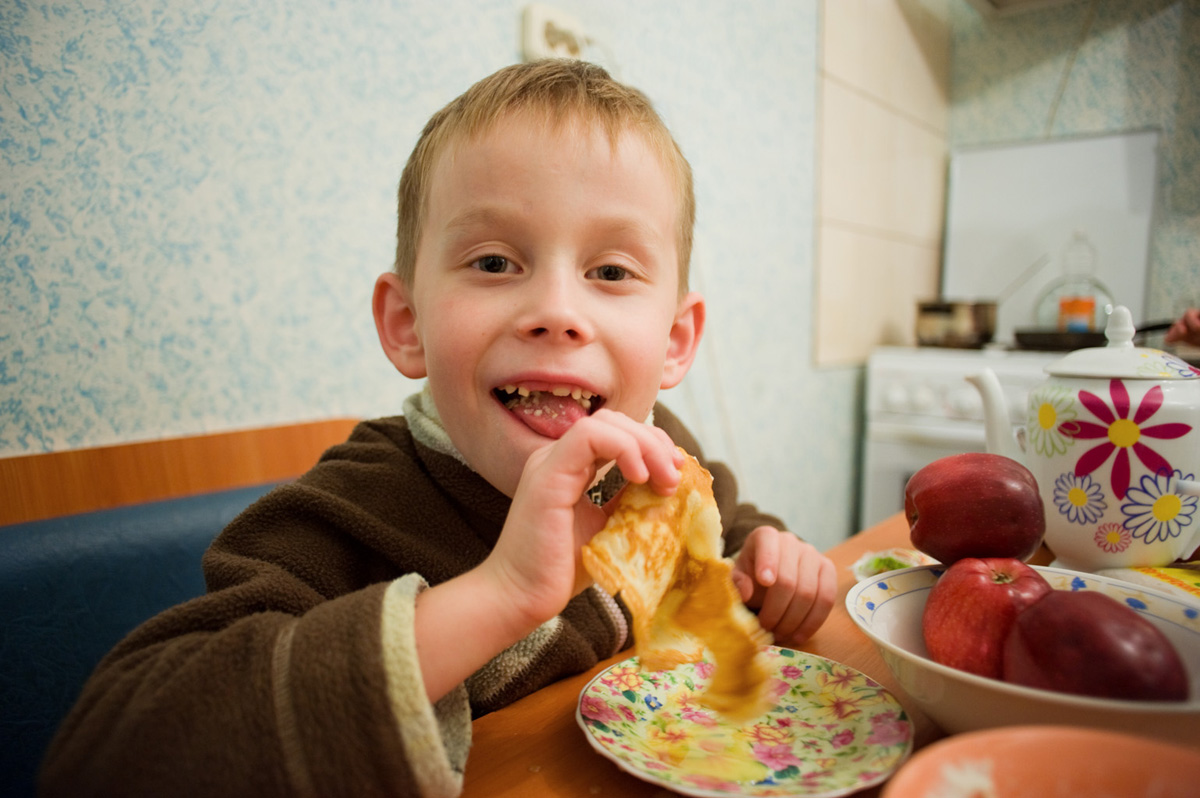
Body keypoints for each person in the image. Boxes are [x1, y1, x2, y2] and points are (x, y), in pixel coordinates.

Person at [40, 59, 836, 797]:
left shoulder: (658, 456)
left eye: (610, 271)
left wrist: (772, 566)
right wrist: (501, 595)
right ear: (407, 322)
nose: (558, 311)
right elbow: (103, 757)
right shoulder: (354, 507)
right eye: (494, 263)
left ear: (674, 343)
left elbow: (731, 531)